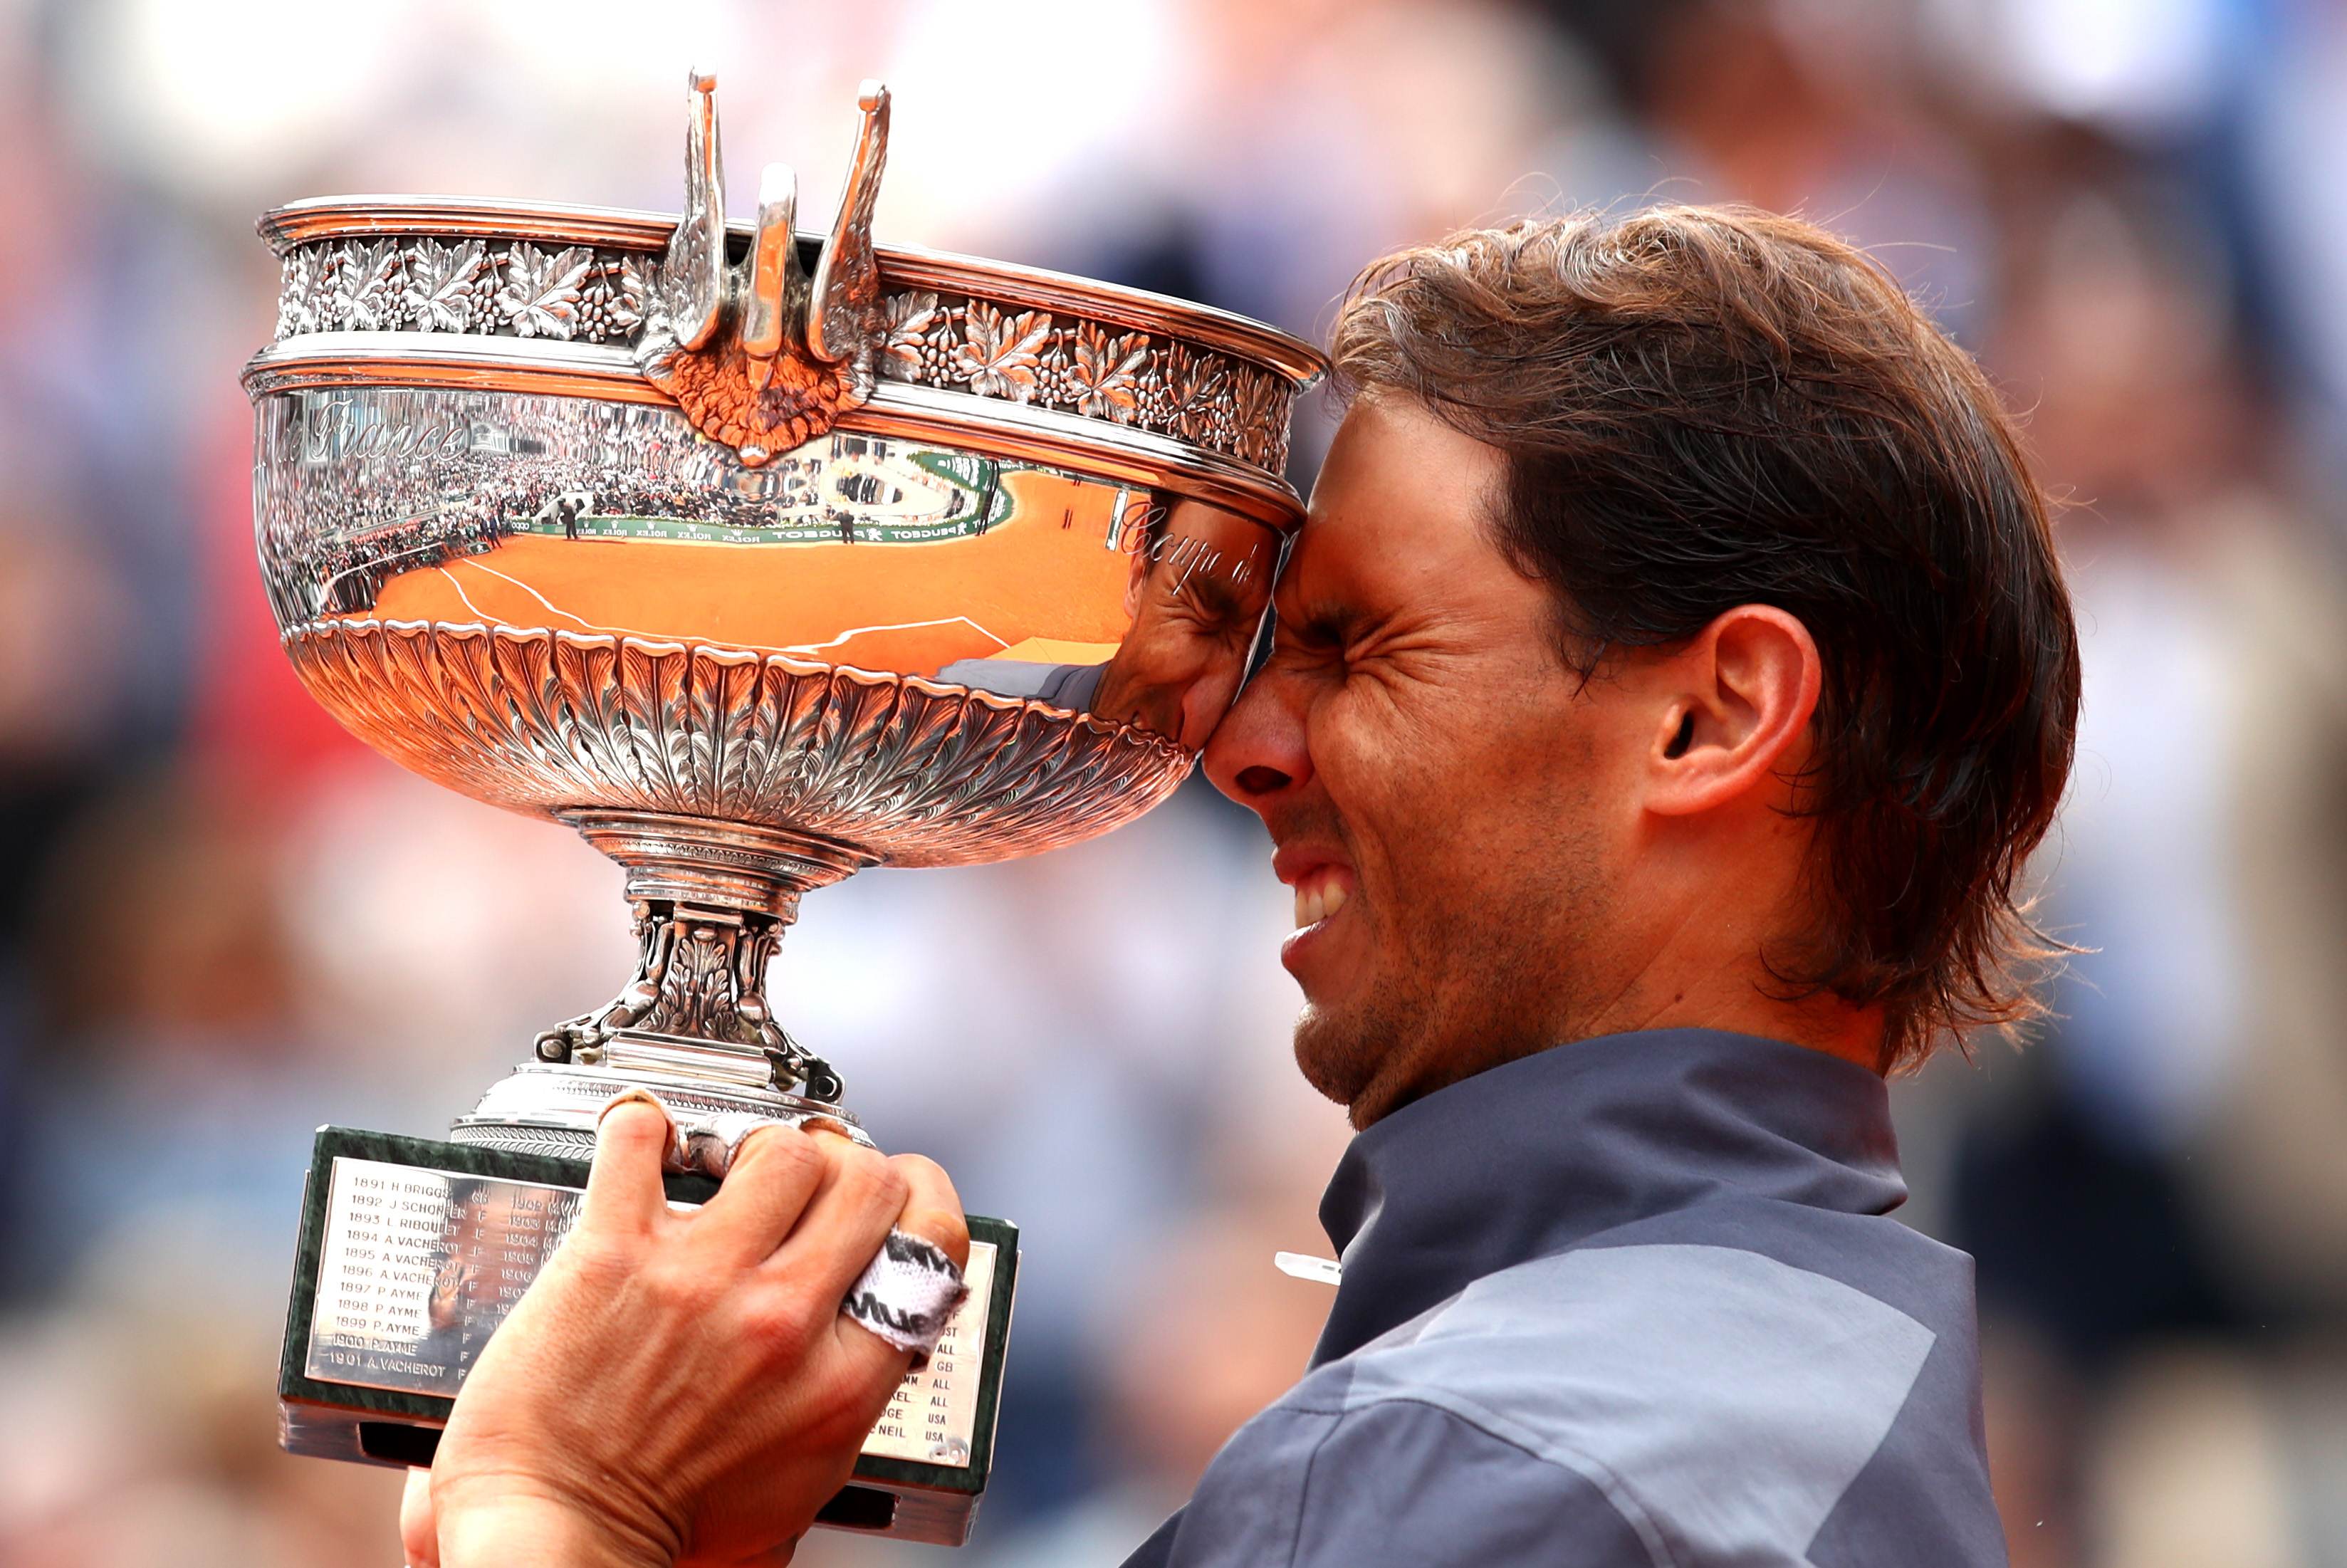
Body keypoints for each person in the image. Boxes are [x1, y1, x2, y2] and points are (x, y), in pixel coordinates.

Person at [400, 205, 2078, 1567]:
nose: (1242, 745)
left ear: (1710, 717)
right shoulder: (1823, 1373)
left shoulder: (1470, 1471)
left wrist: (561, 1515)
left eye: (1355, 646)